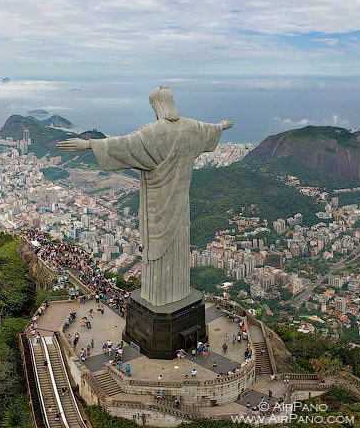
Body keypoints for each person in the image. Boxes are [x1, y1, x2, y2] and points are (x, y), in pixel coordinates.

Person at [57, 86, 232, 307]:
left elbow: (125, 145)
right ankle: (177, 293)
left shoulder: (153, 132)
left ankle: (159, 296)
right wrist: (221, 127)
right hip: (181, 203)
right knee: (178, 245)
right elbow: (208, 130)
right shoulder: (191, 127)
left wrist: (89, 144)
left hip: (156, 204)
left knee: (156, 249)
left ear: (157, 106)